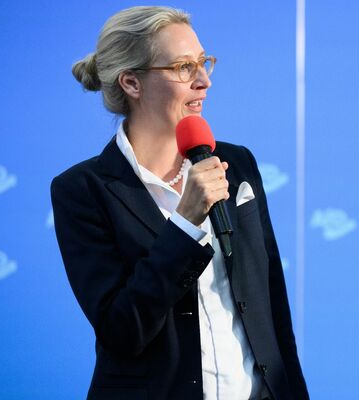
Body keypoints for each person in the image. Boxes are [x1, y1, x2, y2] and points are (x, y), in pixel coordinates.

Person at [51, 6, 308, 400]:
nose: (204, 81)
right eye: (184, 67)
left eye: (204, 62)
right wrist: (185, 223)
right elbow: (122, 331)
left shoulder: (237, 163)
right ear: (132, 83)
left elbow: (272, 307)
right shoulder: (83, 190)